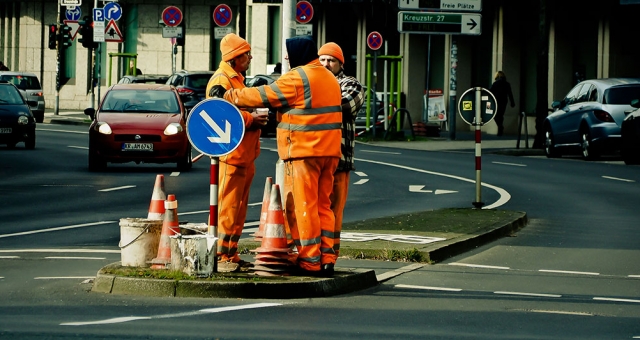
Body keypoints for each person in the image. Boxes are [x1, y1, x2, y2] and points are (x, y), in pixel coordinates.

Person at [222, 36, 342, 277]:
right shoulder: (329, 77)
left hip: (304, 152)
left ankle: (310, 259)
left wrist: (229, 96)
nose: (286, 58)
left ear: (298, 54)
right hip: (329, 152)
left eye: (288, 53)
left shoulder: (299, 77)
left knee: (303, 207)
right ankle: (327, 257)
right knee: (323, 206)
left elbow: (263, 95)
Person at [205, 33, 268, 272]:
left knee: (238, 207)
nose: (250, 57)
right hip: (232, 156)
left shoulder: (236, 80)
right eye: (246, 54)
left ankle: (230, 253)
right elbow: (219, 113)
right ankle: (222, 254)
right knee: (228, 207)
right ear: (234, 58)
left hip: (243, 155)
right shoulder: (221, 81)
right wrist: (252, 118)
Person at [318, 42, 364, 273]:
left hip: (339, 160)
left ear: (340, 64)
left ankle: (330, 257)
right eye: (322, 60)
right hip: (315, 158)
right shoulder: (314, 81)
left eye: (331, 61)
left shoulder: (351, 84)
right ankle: (313, 254)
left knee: (334, 211)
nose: (326, 64)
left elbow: (345, 105)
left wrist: (314, 100)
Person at [489, 70, 515, 136]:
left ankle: (500, 127)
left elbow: (490, 92)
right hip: (503, 101)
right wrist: (512, 102)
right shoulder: (507, 84)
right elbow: (510, 94)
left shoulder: (495, 83)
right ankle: (500, 128)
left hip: (496, 101)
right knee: (500, 115)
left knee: (495, 115)